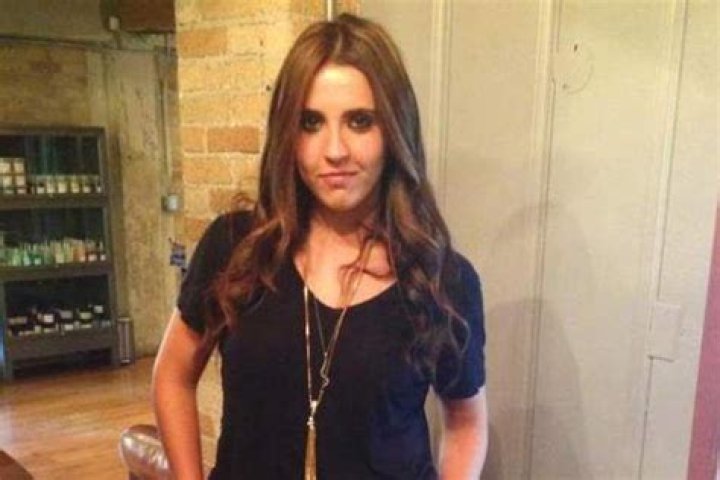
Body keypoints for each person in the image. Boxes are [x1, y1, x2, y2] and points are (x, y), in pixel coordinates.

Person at [152, 13, 488, 480]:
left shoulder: (441, 280)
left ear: (394, 129)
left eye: (359, 121)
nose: (335, 150)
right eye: (310, 123)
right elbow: (172, 375)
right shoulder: (235, 249)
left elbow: (466, 421)